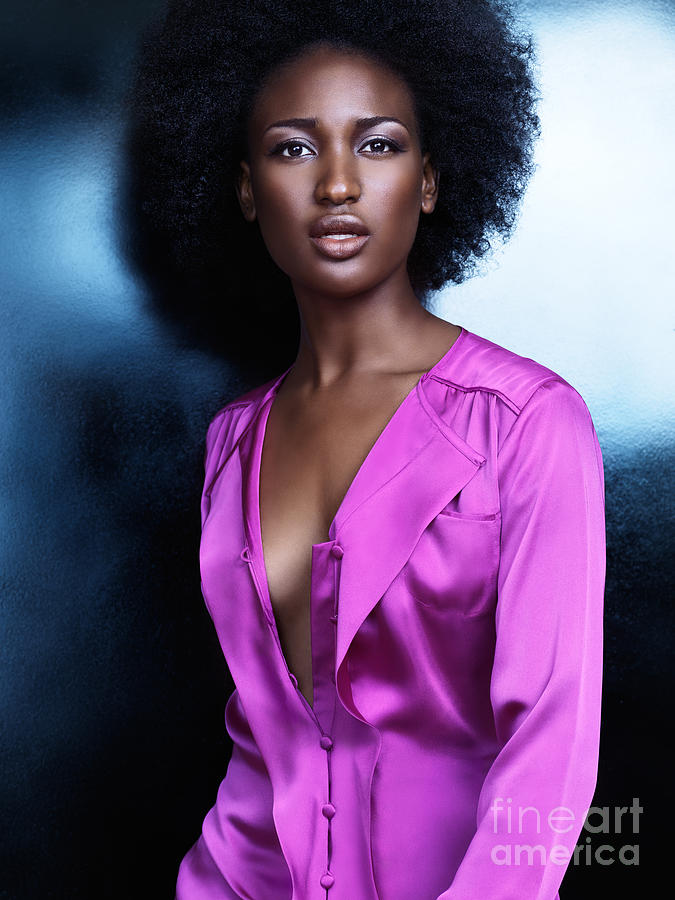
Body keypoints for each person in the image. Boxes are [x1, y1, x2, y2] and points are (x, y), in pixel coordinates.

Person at [126, 1, 606, 897]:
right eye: (293, 149)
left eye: (378, 144)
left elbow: (549, 752)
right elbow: (263, 749)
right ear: (245, 189)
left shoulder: (527, 423)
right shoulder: (233, 442)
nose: (338, 184)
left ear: (428, 181)